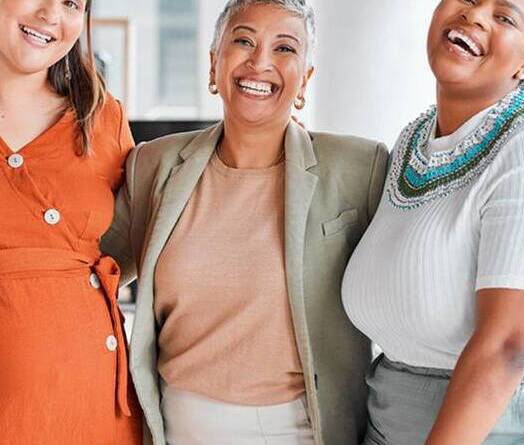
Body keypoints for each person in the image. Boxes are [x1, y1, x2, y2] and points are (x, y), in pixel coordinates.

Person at [101, 0, 388, 444]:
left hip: (300, 429)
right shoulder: (152, 165)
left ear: (305, 79)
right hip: (178, 425)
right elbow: (89, 271)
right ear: (214, 64)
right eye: (243, 41)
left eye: (284, 48)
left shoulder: (359, 167)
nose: (260, 62)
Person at [342, 0, 524, 444]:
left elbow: (508, 348)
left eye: (505, 17)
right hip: (388, 420)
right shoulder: (416, 139)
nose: (475, 15)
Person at [0, 0, 142, 444]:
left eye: (71, 3)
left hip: (95, 410)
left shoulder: (103, 120)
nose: (51, 13)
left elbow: (140, 238)